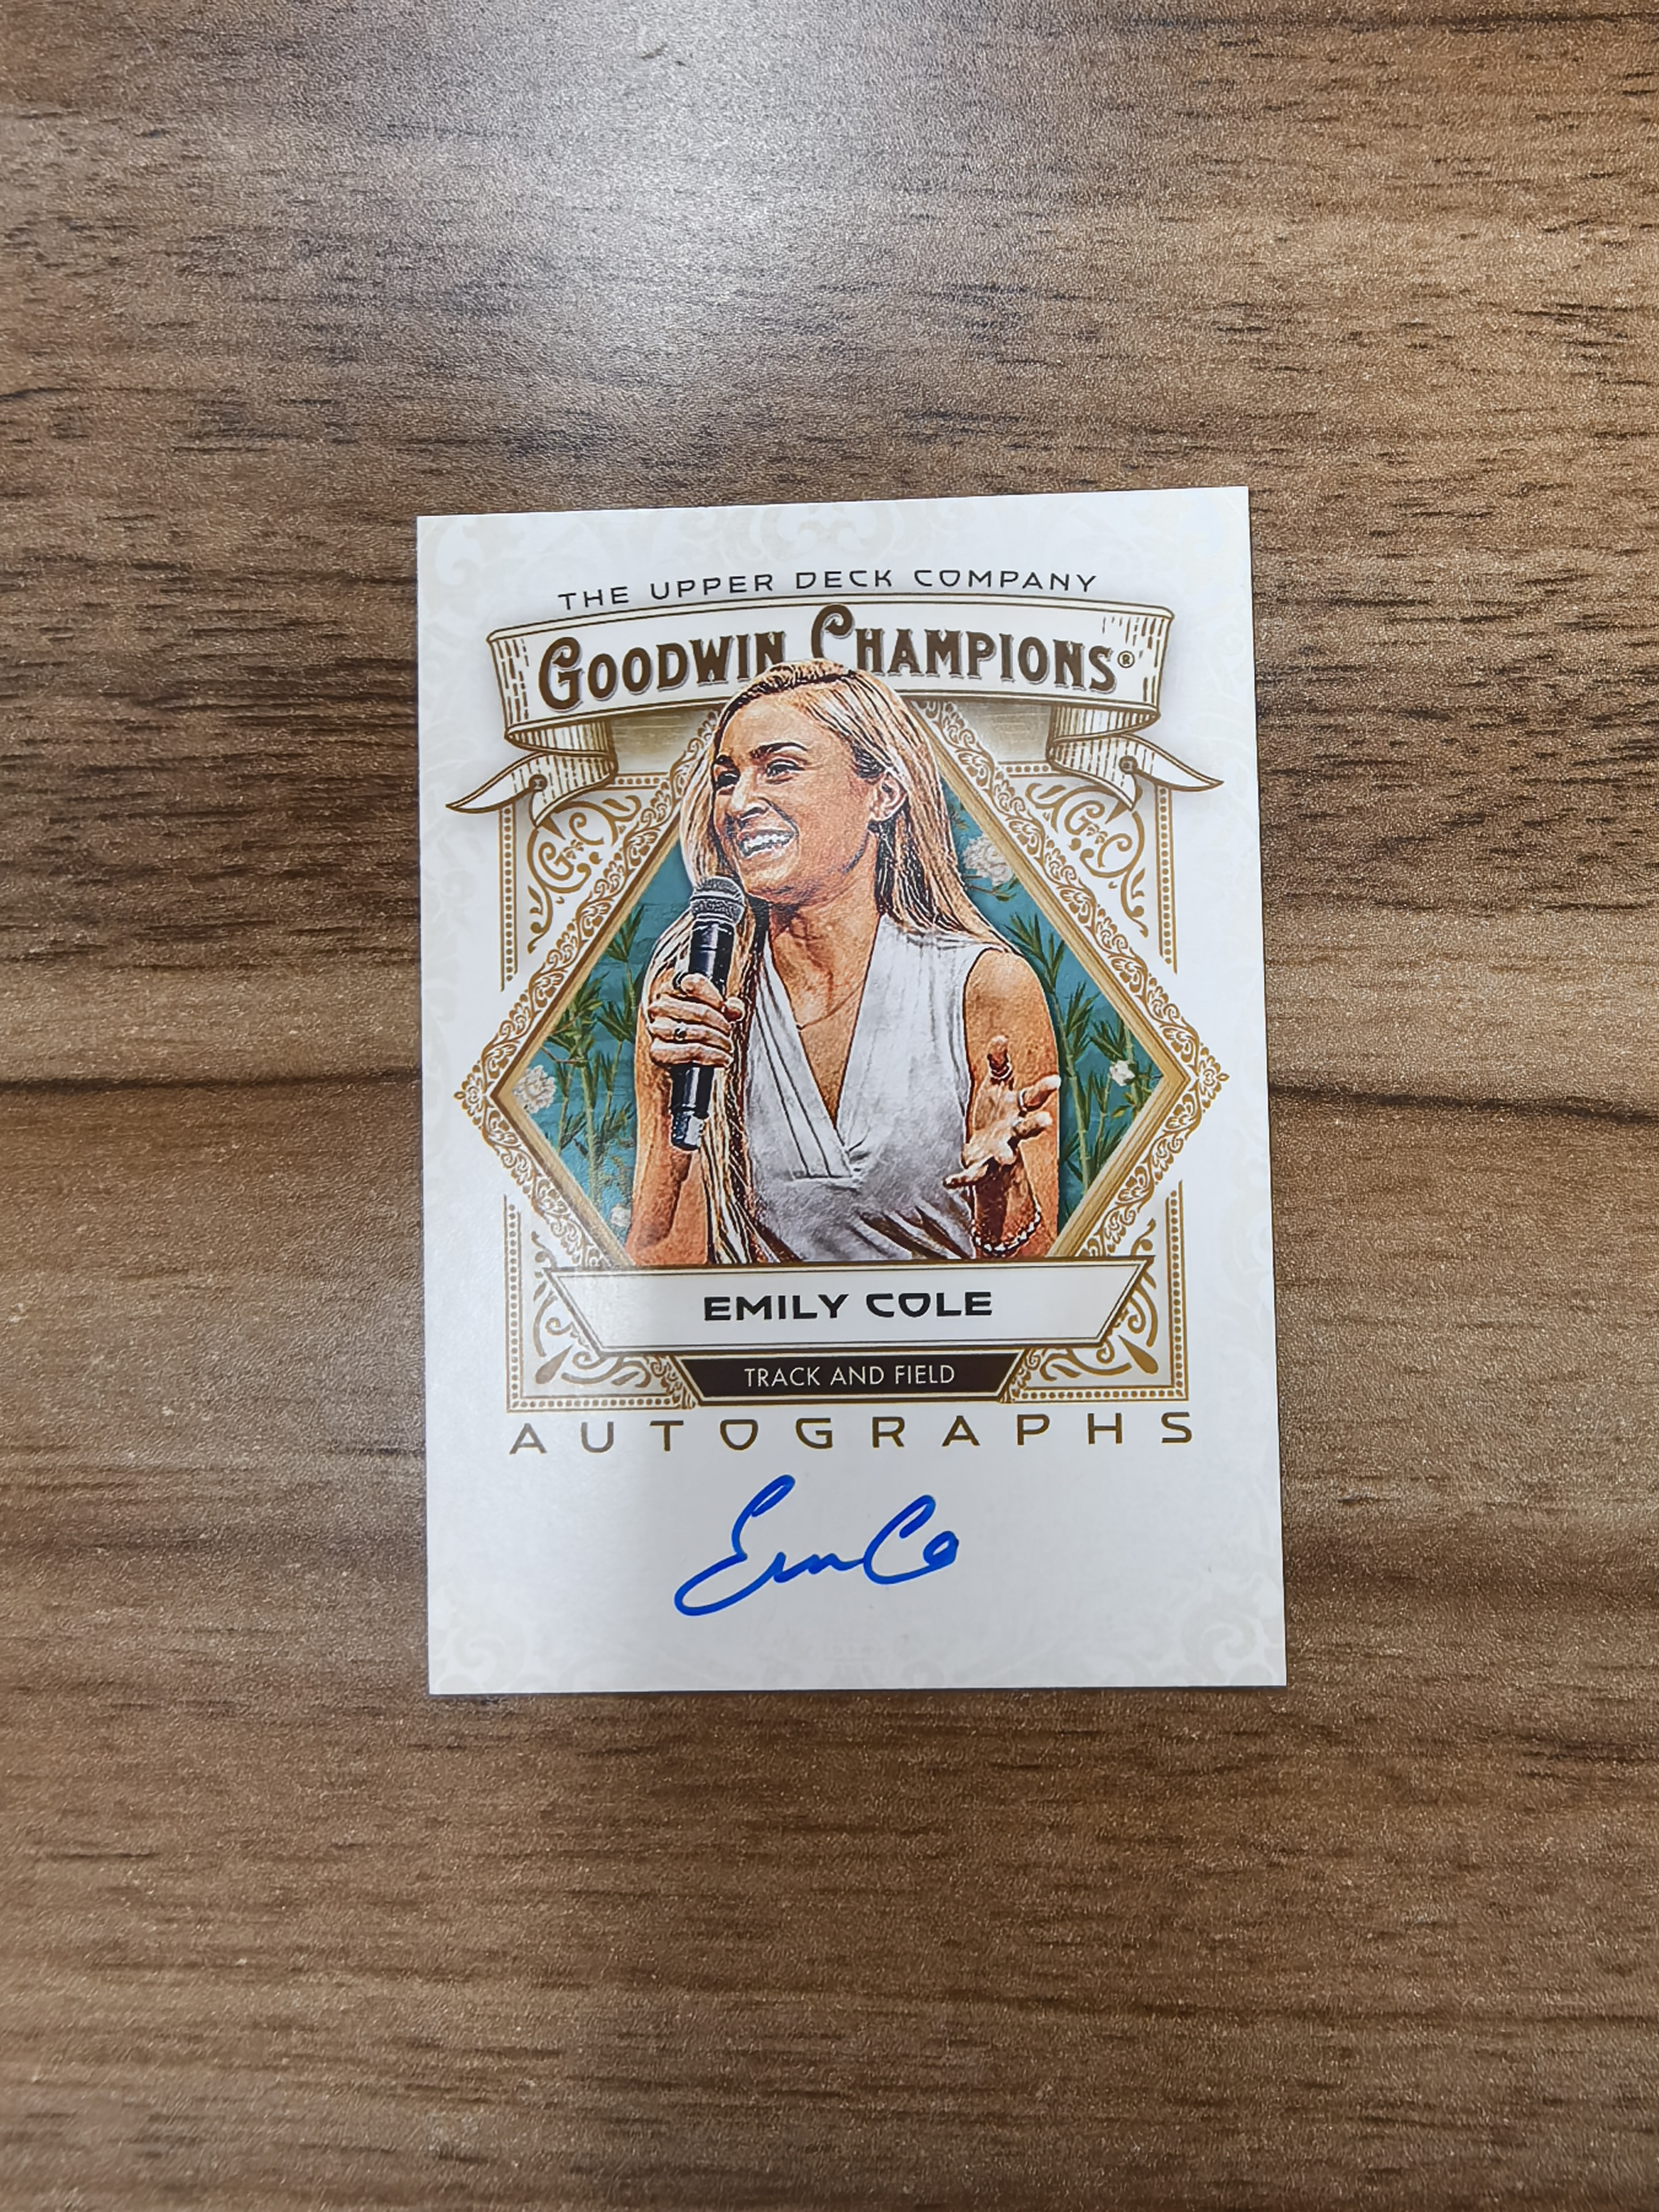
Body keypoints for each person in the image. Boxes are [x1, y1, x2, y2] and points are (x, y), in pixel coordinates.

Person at [625, 660, 1061, 1267]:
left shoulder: (985, 987)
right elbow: (661, 1271)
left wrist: (1001, 1192)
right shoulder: (697, 990)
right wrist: (672, 1100)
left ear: (882, 793)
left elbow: (1037, 1280)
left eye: (780, 768)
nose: (739, 803)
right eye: (727, 779)